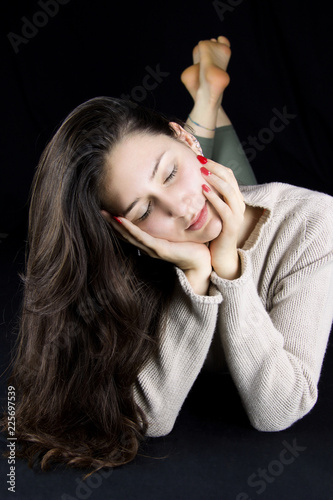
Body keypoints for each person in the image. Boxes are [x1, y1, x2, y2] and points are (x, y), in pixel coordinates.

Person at [2, 37, 333, 474]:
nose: (176, 207)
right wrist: (197, 272)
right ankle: (204, 102)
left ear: (184, 137)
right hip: (204, 189)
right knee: (219, 195)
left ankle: (205, 100)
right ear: (124, 227)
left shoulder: (315, 223)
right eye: (143, 209)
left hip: (271, 206)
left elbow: (279, 409)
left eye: (171, 172)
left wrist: (229, 266)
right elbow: (151, 419)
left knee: (228, 193)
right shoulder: (131, 263)